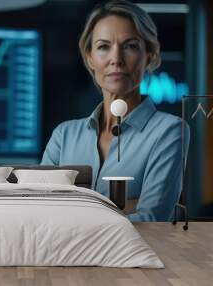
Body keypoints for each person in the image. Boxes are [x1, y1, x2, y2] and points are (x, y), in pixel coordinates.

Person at [41, 0, 190, 222]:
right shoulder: (64, 136)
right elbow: (39, 211)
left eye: (130, 46)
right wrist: (125, 207)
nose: (116, 59)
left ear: (148, 55)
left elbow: (151, 220)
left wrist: (74, 209)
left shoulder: (169, 131)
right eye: (103, 47)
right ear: (89, 57)